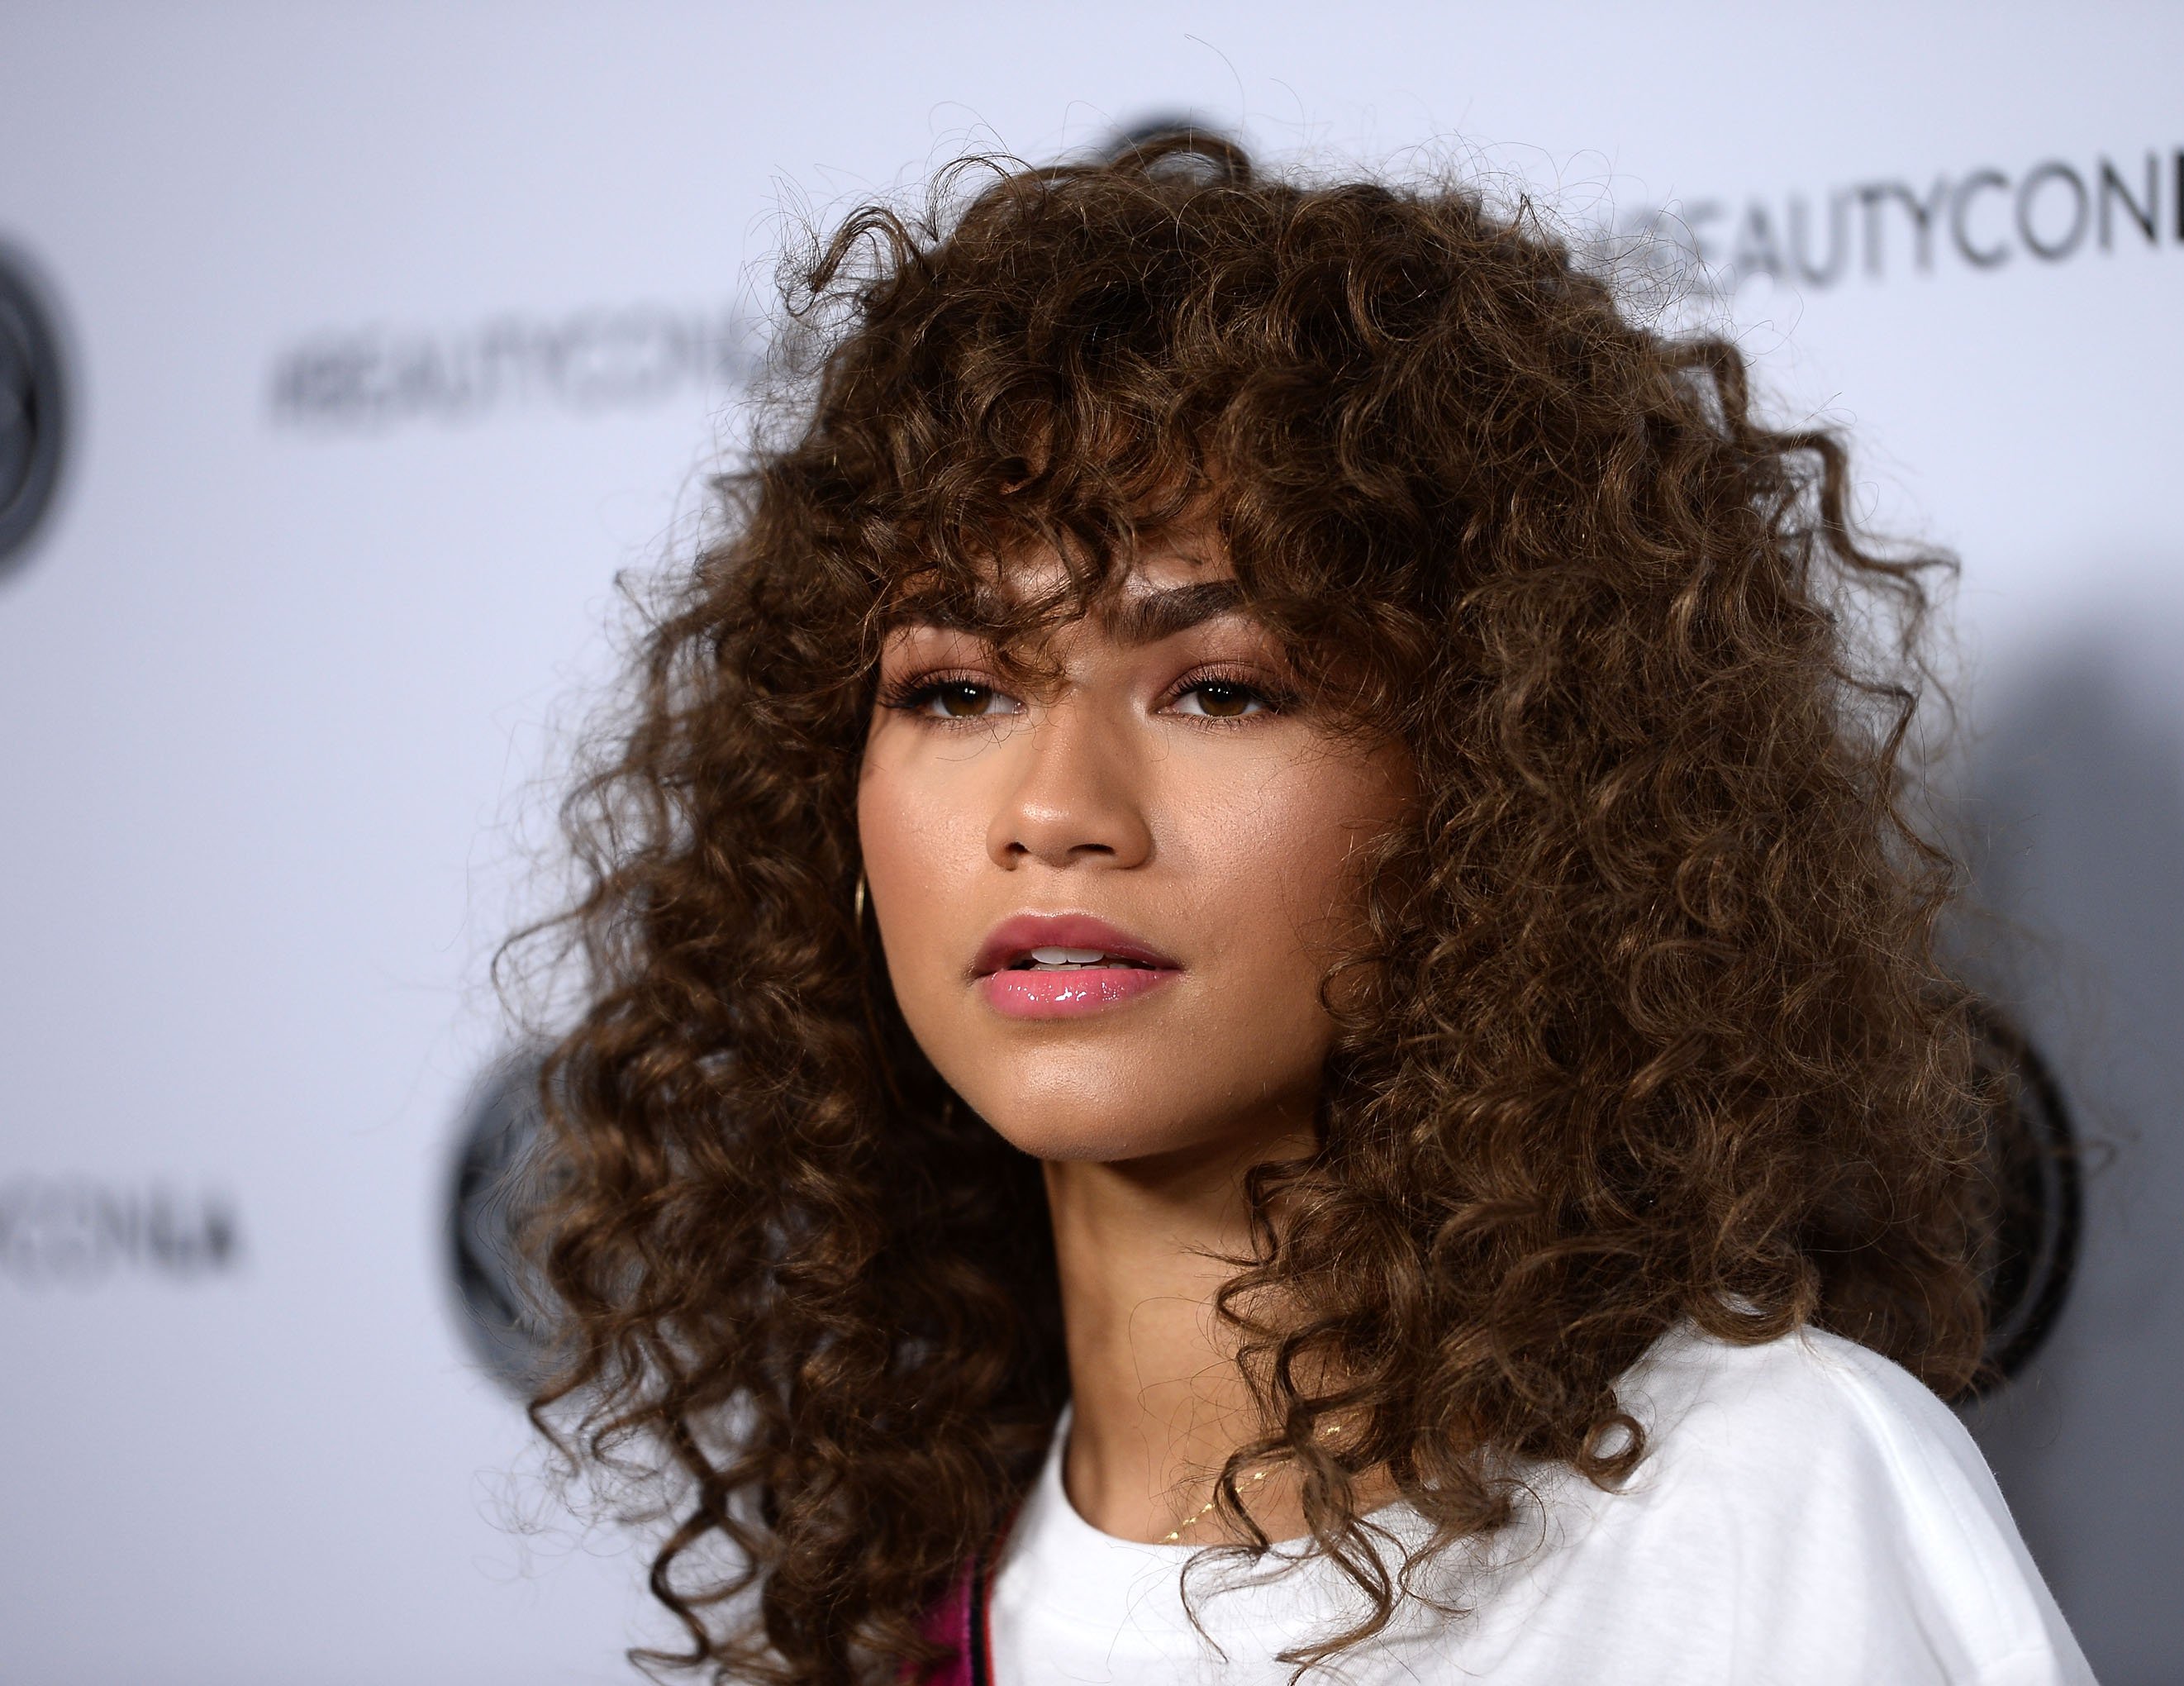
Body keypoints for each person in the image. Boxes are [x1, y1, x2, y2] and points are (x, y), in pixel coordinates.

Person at [523, 132, 2095, 1685]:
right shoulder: (888, 1603)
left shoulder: (1761, 1507)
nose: (1055, 811)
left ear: (1500, 785)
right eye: (956, 689)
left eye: (1217, 689)